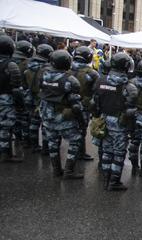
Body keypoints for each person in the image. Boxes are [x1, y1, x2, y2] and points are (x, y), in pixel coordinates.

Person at [91, 52, 138, 190]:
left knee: (106, 151)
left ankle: (106, 180)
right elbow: (129, 111)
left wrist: (97, 117)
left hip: (104, 120)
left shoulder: (100, 81)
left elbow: (94, 103)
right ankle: (114, 182)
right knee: (118, 153)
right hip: (119, 123)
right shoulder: (129, 88)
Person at [39, 50, 84, 178]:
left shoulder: (44, 76)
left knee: (52, 143)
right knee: (75, 141)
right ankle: (69, 171)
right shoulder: (70, 80)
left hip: (47, 116)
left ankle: (56, 170)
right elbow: (75, 104)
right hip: (64, 119)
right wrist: (81, 121)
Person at [69, 46, 99, 162]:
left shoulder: (67, 69)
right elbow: (96, 92)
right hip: (84, 106)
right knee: (81, 129)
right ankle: (79, 153)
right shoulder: (92, 74)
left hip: (68, 103)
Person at [0, 35, 25, 163]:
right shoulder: (11, 65)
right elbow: (17, 88)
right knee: (6, 127)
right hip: (6, 100)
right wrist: (21, 105)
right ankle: (6, 154)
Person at [24, 43, 53, 154]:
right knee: (45, 125)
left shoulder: (28, 66)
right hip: (43, 98)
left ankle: (34, 145)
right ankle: (46, 148)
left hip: (31, 96)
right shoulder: (48, 69)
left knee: (33, 122)